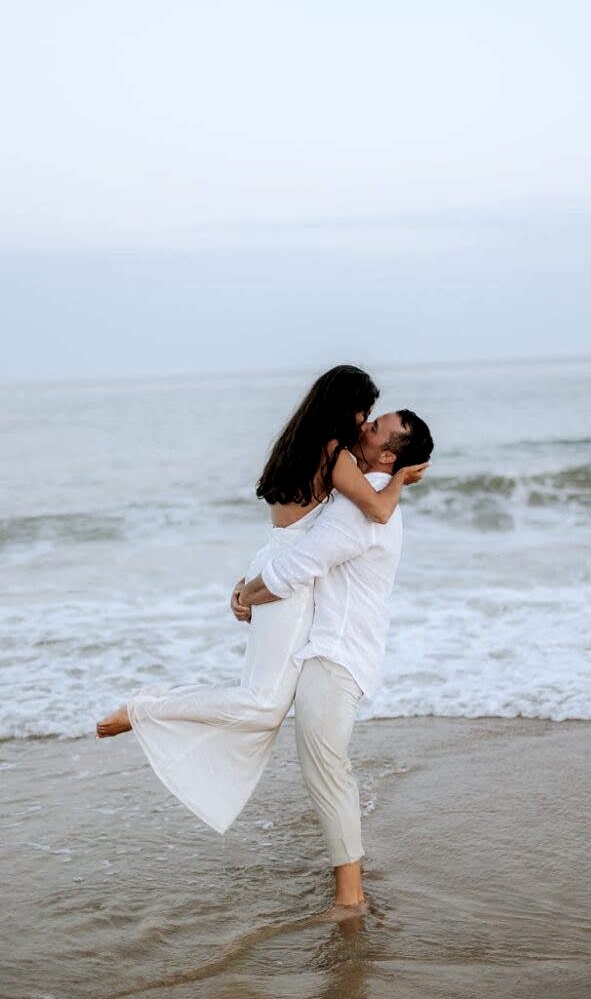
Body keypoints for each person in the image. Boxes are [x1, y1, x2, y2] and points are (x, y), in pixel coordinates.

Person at [95, 366, 427, 841]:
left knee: (261, 701)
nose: (364, 423)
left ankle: (148, 708)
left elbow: (288, 530)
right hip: (286, 582)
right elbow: (376, 511)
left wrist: (250, 583)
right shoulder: (338, 457)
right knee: (261, 706)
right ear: (345, 410)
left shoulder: (300, 441)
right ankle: (146, 708)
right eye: (364, 413)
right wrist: (401, 479)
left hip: (273, 563)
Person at [234, 408, 434, 915]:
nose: (363, 428)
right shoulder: (367, 495)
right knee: (324, 763)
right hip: (335, 647)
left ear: (388, 454)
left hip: (338, 652)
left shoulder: (359, 506)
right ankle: (348, 884)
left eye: (375, 427)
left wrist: (246, 598)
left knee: (326, 764)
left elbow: (298, 568)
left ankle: (351, 897)